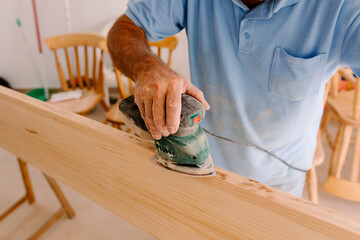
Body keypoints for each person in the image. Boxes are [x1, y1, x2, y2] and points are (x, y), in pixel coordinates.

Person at [107, 0, 360, 197]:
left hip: (280, 179)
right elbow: (126, 29)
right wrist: (147, 67)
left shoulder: (344, 8)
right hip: (200, 168)